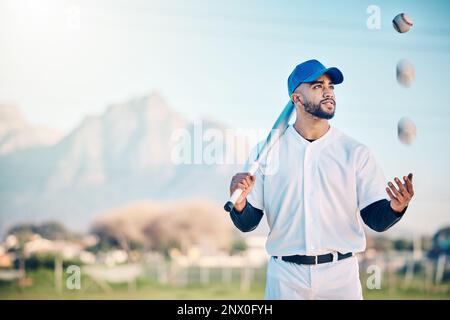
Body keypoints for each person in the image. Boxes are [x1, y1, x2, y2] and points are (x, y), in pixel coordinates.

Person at [228, 59, 415, 300]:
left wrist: (396, 207)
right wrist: (241, 204)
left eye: (331, 86)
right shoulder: (266, 152)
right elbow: (248, 222)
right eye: (317, 86)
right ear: (296, 98)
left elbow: (376, 219)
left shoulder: (355, 152)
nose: (328, 91)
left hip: (340, 277)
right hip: (285, 278)